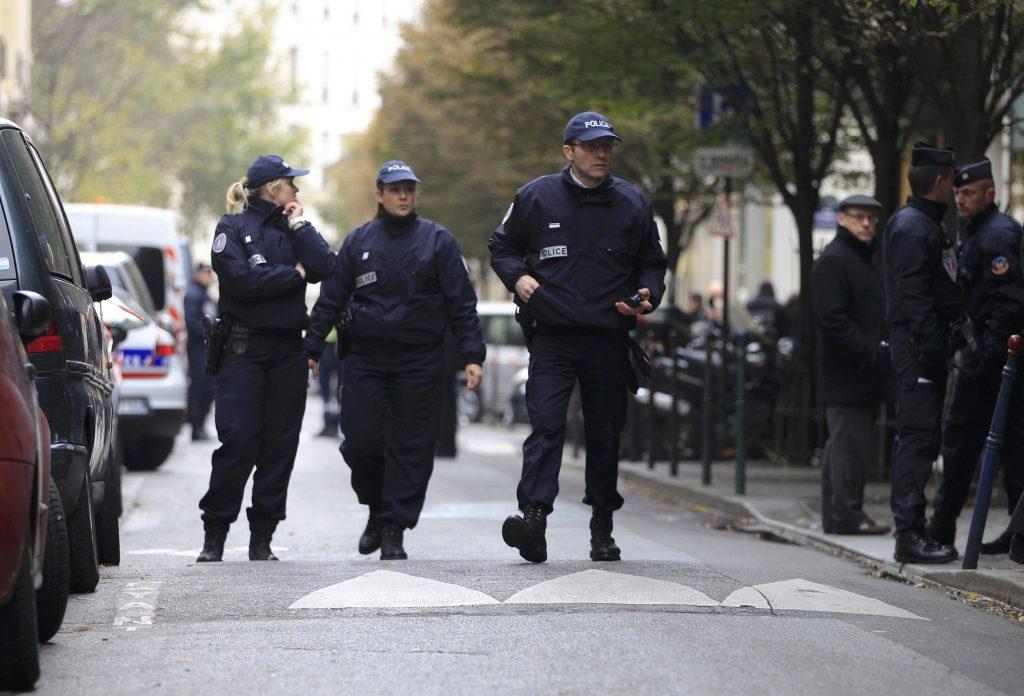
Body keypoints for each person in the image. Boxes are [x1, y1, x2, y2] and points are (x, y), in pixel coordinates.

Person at [489, 111, 667, 563]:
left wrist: (648, 294)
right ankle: (533, 519)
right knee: (547, 426)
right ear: (569, 151)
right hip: (552, 337)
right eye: (590, 146)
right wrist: (519, 280)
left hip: (608, 339)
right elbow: (502, 247)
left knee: (604, 435)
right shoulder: (535, 197)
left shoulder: (632, 203)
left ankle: (602, 525)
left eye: (607, 145)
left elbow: (652, 264)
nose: (601, 153)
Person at [306, 160, 485, 561]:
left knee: (412, 447)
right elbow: (331, 297)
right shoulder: (358, 241)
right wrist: (313, 344)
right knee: (360, 442)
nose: (404, 196)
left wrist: (473, 355)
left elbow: (462, 303)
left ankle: (394, 527)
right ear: (380, 194)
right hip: (366, 358)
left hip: (419, 360)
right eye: (395, 189)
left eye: (409, 189)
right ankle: (375, 505)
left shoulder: (437, 241)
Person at [196, 155, 336, 563]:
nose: (298, 191)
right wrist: (292, 276)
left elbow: (326, 266)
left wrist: (299, 225)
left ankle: (263, 536)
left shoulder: (295, 229)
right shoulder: (232, 227)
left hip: (288, 352)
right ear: (274, 187)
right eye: (292, 184)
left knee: (279, 447)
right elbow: (241, 282)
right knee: (238, 441)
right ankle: (215, 533)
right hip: (242, 351)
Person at [928, 158, 1024, 553]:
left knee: (967, 442)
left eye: (968, 193)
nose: (960, 199)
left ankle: (943, 530)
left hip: (993, 360)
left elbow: (1008, 302)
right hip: (992, 357)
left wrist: (987, 354)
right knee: (1005, 447)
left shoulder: (996, 236)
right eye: (957, 193)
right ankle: (1017, 535)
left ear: (990, 194)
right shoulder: (982, 232)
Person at [884, 142, 965, 564]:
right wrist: (932, 343)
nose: (955, 188)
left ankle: (913, 530)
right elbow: (912, 292)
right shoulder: (915, 226)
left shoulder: (924, 223)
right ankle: (909, 534)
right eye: (952, 180)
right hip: (919, 349)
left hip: (922, 345)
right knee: (917, 440)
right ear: (939, 181)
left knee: (921, 437)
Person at [812, 195, 891, 536]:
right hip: (847, 372)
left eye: (872, 218)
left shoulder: (866, 258)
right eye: (859, 217)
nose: (866, 224)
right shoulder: (834, 260)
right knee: (849, 446)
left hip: (862, 369)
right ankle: (847, 515)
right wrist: (871, 351)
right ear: (841, 219)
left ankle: (840, 514)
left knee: (845, 446)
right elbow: (832, 321)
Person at [184, 262, 217, 441]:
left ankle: (201, 425)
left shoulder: (205, 295)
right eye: (206, 273)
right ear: (198, 274)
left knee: (208, 387)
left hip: (208, 348)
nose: (209, 276)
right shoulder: (193, 294)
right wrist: (209, 334)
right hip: (199, 349)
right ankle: (196, 426)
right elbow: (192, 322)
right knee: (200, 386)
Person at [315, 328, 343, 438]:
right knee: (328, 390)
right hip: (330, 343)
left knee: (335, 390)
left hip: (335, 344)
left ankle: (333, 424)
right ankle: (330, 424)